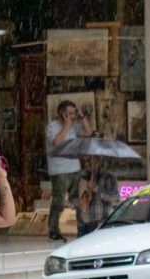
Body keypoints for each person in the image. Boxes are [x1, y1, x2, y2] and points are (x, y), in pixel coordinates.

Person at [46, 101, 92, 241]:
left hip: (75, 167)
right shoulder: (52, 126)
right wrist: (66, 126)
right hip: (60, 170)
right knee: (59, 201)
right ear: (62, 113)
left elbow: (88, 132)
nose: (72, 116)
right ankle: (54, 229)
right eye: (70, 113)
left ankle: (82, 227)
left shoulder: (74, 125)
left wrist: (82, 115)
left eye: (74, 113)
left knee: (79, 199)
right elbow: (57, 142)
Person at [68, 154, 119, 237]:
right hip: (83, 225)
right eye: (87, 160)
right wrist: (80, 202)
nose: (90, 163)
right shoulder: (80, 177)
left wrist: (96, 189)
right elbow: (70, 200)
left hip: (100, 226)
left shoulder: (109, 177)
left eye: (93, 160)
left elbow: (115, 199)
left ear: (100, 161)